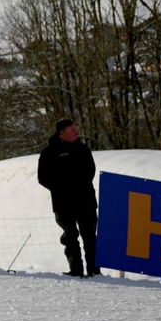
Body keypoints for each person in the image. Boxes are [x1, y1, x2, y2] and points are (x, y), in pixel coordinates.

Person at [38, 118, 98, 276]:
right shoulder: (49, 153)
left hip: (86, 201)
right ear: (61, 133)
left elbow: (90, 172)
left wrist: (78, 185)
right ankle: (76, 270)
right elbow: (43, 178)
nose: (76, 132)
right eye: (72, 129)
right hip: (63, 203)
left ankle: (94, 271)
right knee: (70, 237)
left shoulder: (83, 149)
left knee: (90, 236)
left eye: (76, 128)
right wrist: (61, 189)